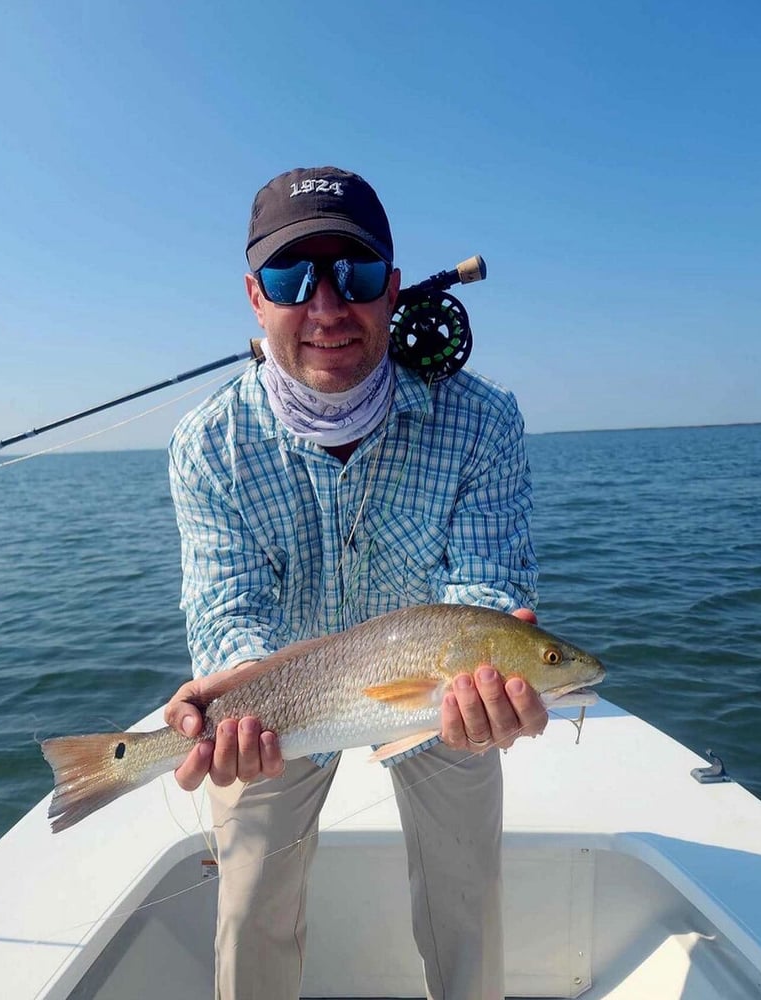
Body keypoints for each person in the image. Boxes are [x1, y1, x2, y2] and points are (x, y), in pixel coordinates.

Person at [164, 165, 548, 1000]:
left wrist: (485, 682)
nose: (329, 308)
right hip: (284, 702)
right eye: (291, 277)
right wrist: (242, 684)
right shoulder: (207, 445)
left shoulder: (484, 421)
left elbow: (484, 593)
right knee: (250, 901)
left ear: (395, 290)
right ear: (253, 297)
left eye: (359, 275)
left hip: (436, 695)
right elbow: (228, 608)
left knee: (467, 896)